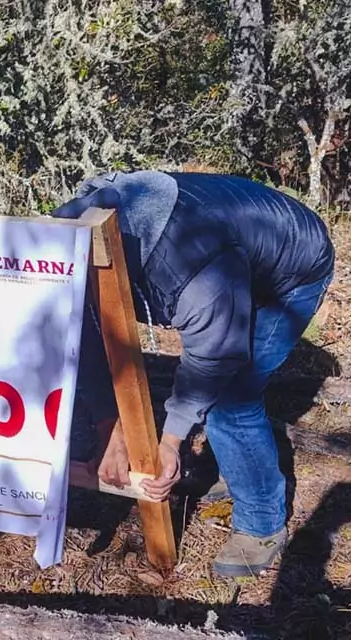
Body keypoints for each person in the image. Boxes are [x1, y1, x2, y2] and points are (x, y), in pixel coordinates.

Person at [52, 171, 335, 577]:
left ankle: (261, 524)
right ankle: (236, 469)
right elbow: (89, 337)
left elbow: (212, 362)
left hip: (294, 266)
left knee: (230, 402)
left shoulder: (194, 272)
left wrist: (169, 444)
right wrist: (107, 429)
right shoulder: (68, 240)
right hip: (239, 252)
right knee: (220, 398)